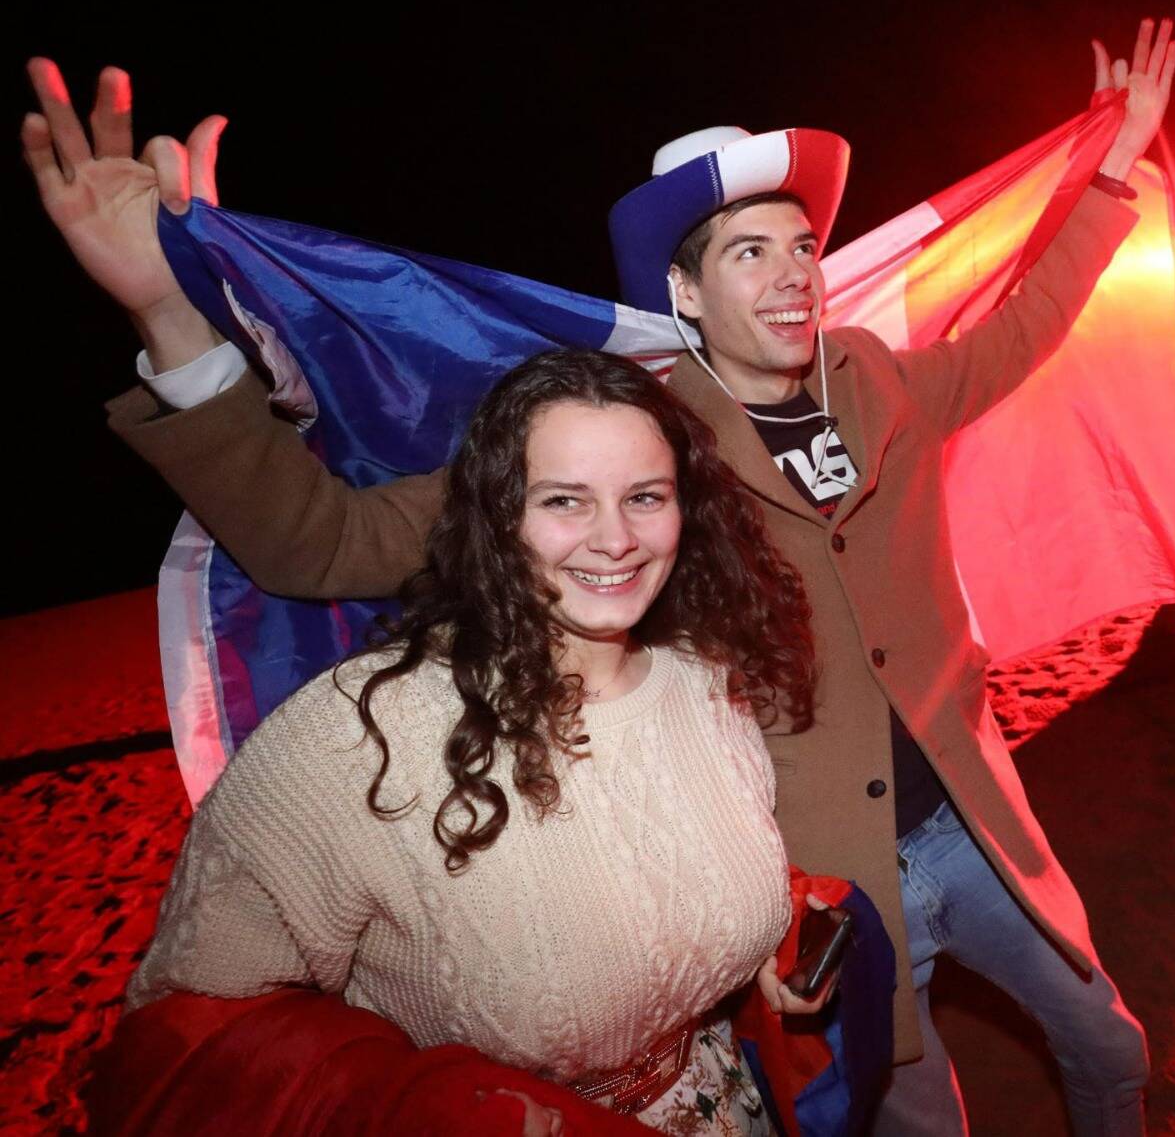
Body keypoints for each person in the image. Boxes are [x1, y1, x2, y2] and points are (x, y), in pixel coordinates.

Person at [24, 19, 1175, 1136]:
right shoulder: (630, 447)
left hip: (975, 829)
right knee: (910, 1114)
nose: (790, 278)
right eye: (747, 251)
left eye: (801, 246)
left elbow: (1021, 328)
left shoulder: (879, 379)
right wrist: (170, 310)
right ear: (684, 296)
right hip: (822, 883)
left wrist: (1109, 180)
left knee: (1107, 1044)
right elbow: (320, 543)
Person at [119, 348, 831, 1133]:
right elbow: (194, 1019)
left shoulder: (705, 683)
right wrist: (424, 1107)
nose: (616, 538)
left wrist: (765, 942)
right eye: (565, 500)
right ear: (497, 516)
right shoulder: (362, 732)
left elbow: (660, 879)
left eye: (645, 496)